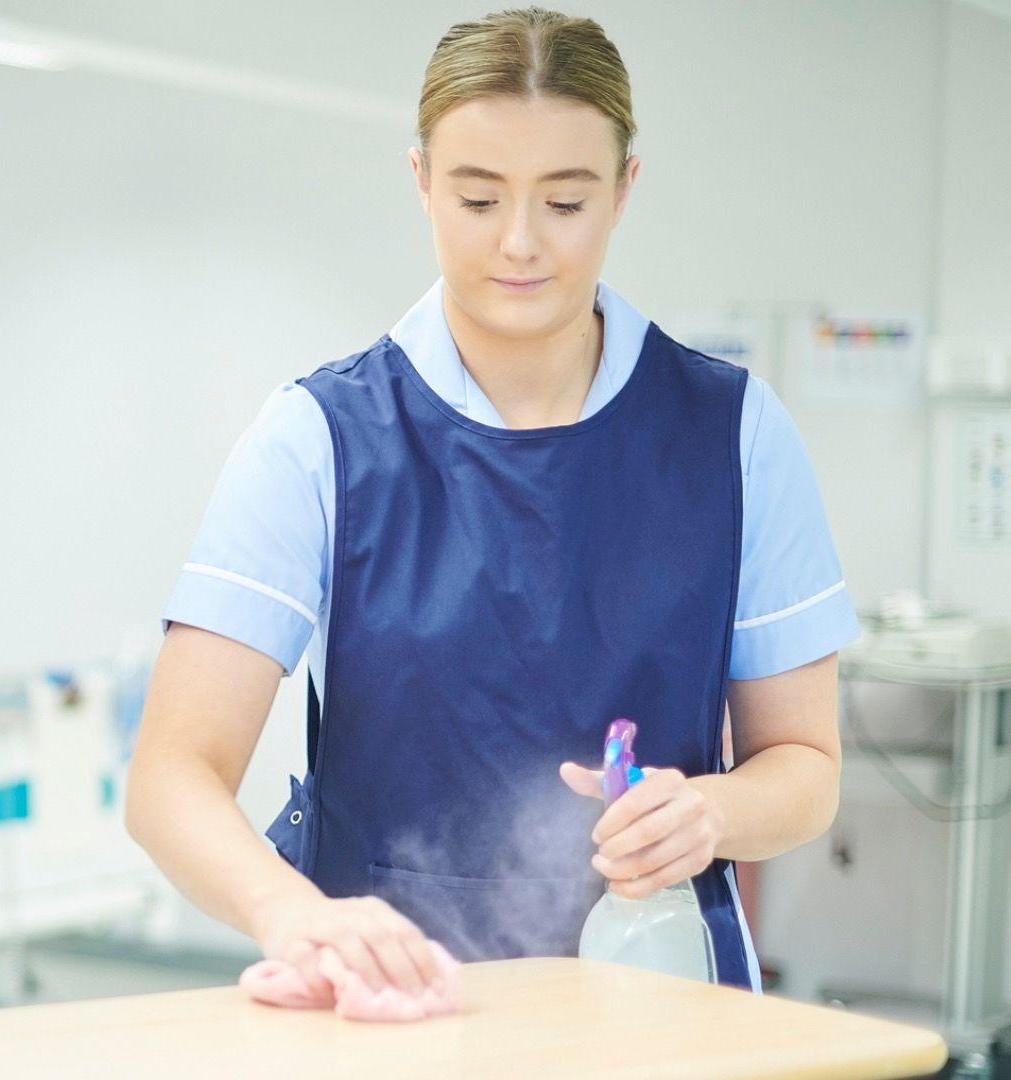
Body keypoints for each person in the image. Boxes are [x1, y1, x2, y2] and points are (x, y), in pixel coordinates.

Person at [126, 7, 854, 995]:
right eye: (477, 199)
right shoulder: (320, 440)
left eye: (565, 203)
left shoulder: (733, 434)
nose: (520, 244)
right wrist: (293, 915)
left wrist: (715, 813)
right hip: (396, 1007)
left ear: (624, 189)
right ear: (421, 180)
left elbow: (806, 764)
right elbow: (171, 779)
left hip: (662, 1009)